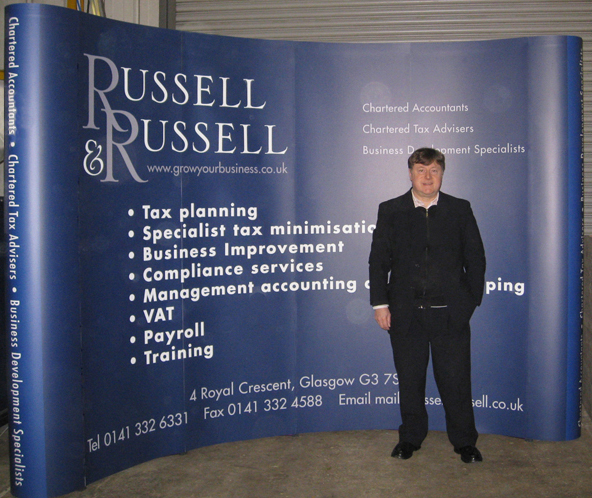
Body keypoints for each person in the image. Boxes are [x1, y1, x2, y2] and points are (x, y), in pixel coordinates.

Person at [368, 147, 486, 463]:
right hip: (405, 314)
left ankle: (465, 442)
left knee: (457, 381)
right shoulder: (391, 210)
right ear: (410, 174)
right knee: (410, 381)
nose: (427, 177)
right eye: (421, 170)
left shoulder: (460, 210)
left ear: (442, 174)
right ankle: (410, 439)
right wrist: (380, 304)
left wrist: (469, 302)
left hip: (451, 315)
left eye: (434, 170)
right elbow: (379, 261)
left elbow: (475, 258)